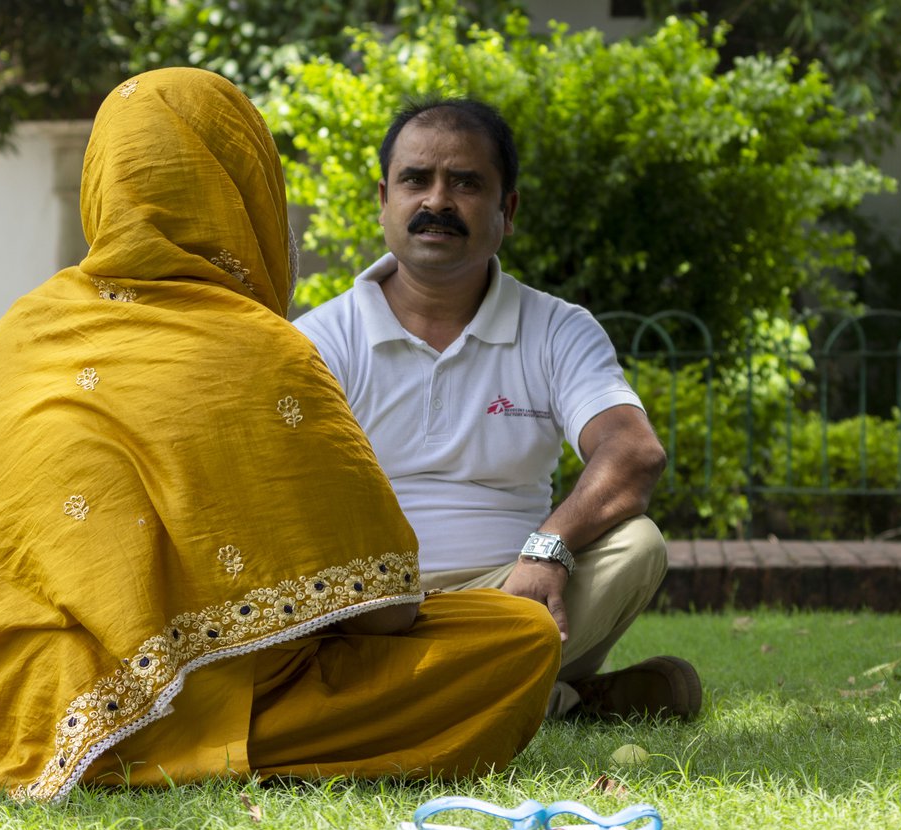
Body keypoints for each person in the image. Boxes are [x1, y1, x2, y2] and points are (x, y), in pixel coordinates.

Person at [0, 70, 561, 803]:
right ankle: (167, 750)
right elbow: (388, 608)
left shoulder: (21, 329)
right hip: (189, 703)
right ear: (244, 189)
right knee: (518, 639)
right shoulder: (261, 349)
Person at [294, 97, 700, 720]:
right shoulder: (322, 340)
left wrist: (548, 550)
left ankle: (440, 694)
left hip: (521, 594)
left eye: (465, 183)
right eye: (415, 180)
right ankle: (556, 699)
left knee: (638, 545)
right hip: (373, 609)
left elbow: (633, 452)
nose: (437, 202)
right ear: (384, 199)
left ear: (506, 210)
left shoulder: (557, 329)